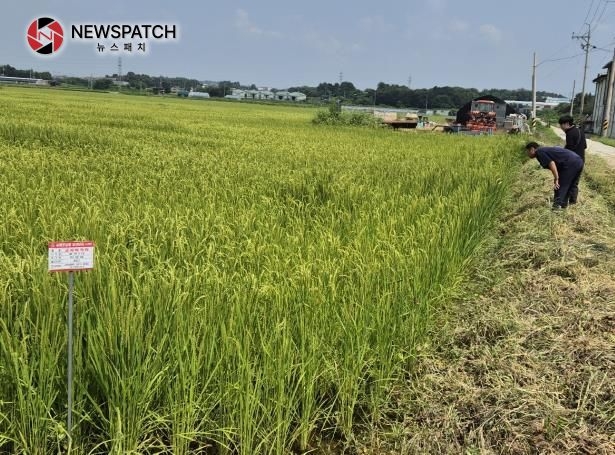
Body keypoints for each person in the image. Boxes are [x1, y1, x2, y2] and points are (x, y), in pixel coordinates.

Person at [524, 142, 584, 209]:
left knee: (560, 185)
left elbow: (551, 163)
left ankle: (557, 207)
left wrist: (556, 178)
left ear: (532, 149)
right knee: (572, 184)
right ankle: (571, 203)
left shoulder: (539, 152)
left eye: (527, 151)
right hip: (578, 160)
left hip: (570, 162)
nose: (527, 154)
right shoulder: (544, 150)